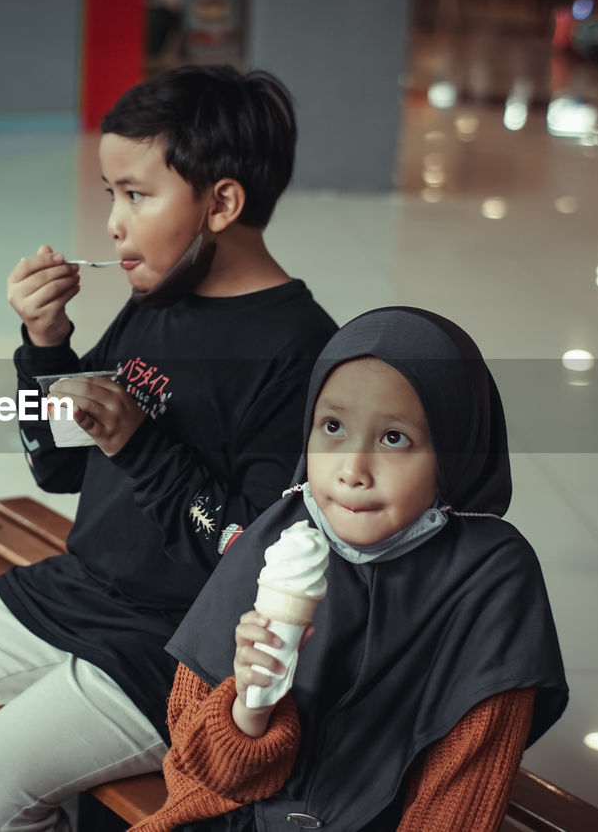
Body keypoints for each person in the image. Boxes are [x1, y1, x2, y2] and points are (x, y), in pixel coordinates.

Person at [0, 64, 339, 832]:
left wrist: (141, 445)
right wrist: (46, 346)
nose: (112, 221)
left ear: (222, 203)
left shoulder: (302, 351)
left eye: (136, 194)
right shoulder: (158, 302)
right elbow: (60, 465)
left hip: (183, 649)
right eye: (111, 192)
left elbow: (252, 553)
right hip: (86, 590)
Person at [133, 307, 569, 832]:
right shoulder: (279, 537)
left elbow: (459, 802)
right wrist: (251, 704)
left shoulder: (492, 579)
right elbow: (200, 777)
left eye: (394, 439)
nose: (353, 470)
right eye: (333, 427)